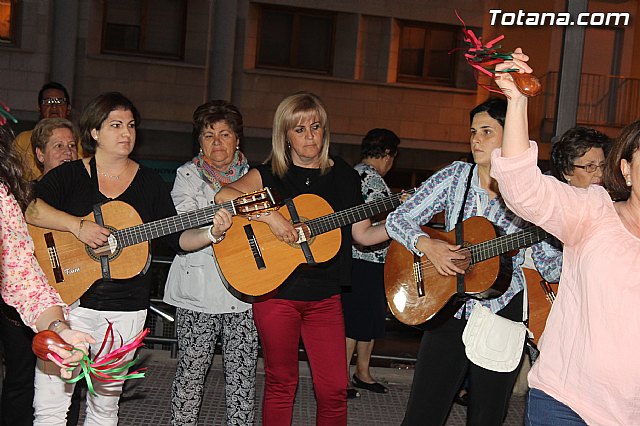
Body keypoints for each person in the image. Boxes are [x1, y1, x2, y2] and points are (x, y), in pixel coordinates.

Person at [25, 92, 232, 425]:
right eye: (116, 125)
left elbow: (176, 238)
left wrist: (211, 234)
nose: (126, 133)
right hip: (68, 304)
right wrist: (78, 227)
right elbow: (29, 207)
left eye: (131, 125)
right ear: (93, 132)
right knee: (51, 406)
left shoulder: (149, 182)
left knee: (105, 407)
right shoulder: (69, 175)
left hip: (126, 311)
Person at [215, 92, 390, 426]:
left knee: (335, 389)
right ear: (285, 135)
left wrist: (399, 224)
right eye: (300, 129)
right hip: (277, 293)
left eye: (316, 126)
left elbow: (363, 236)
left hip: (326, 297)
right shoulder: (268, 174)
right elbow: (224, 194)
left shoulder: (345, 176)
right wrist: (271, 217)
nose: (310, 136)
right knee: (282, 384)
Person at [385, 97, 562, 426]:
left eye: (487, 131)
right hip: (447, 309)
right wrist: (429, 246)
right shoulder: (456, 176)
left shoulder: (535, 192)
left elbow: (551, 268)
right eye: (473, 131)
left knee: (487, 417)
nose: (476, 139)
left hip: (502, 314)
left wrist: (560, 239)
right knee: (422, 415)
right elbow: (398, 220)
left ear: (511, 137)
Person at [491, 49, 640, 425]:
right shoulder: (594, 213)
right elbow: (522, 189)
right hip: (567, 402)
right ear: (627, 169)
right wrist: (517, 101)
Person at [164, 100, 258, 425]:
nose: (217, 143)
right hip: (196, 295)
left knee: (243, 382)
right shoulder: (186, 176)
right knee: (190, 378)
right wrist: (214, 227)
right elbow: (183, 225)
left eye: (224, 134)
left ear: (237, 139)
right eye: (208, 135)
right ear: (199, 141)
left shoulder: (257, 178)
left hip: (245, 295)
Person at [0, 122, 94, 426]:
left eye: (71, 145)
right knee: (19, 381)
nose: (67, 152)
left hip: (50, 299)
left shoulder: (4, 197)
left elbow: (24, 278)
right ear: (39, 154)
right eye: (58, 146)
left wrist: (60, 329)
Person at [342, 128, 400, 399]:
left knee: (368, 320)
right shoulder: (373, 180)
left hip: (360, 260)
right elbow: (376, 223)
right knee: (357, 321)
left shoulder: (355, 173)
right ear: (388, 154)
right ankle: (344, 378)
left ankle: (361, 373)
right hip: (365, 260)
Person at [13, 82, 82, 181]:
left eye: (60, 101)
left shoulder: (81, 143)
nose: (54, 106)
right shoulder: (23, 140)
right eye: (48, 101)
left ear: (68, 108)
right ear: (39, 107)